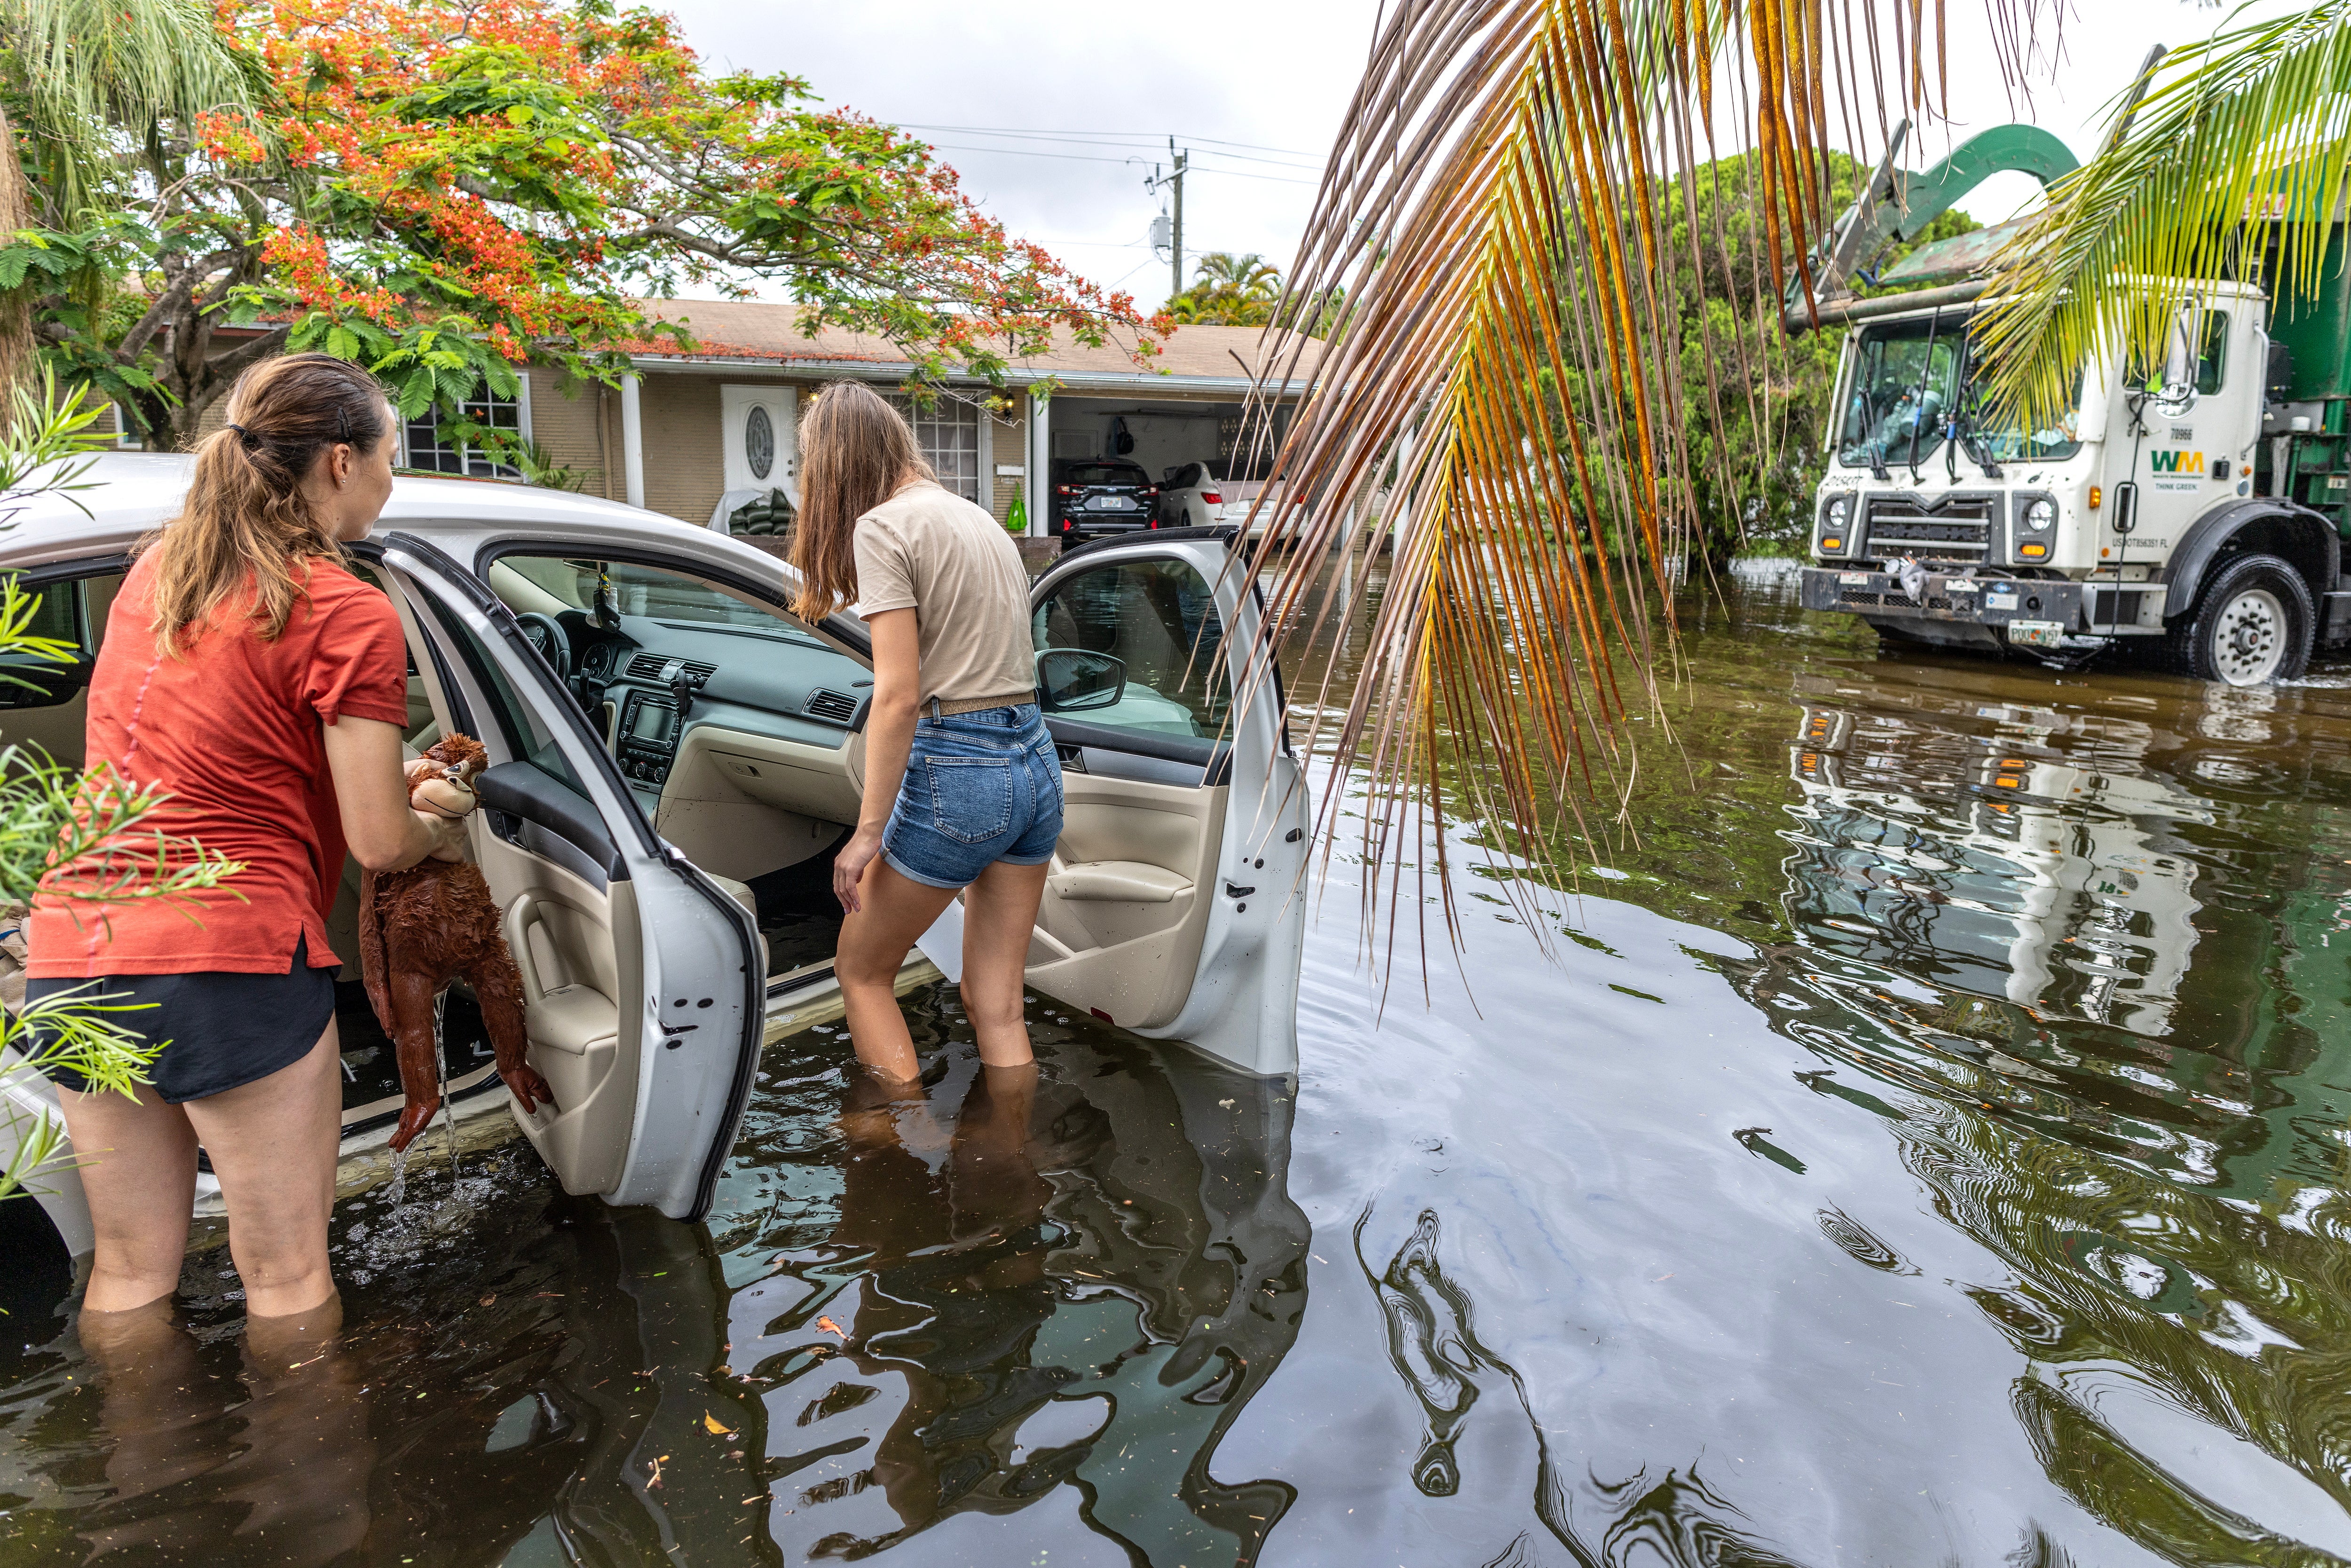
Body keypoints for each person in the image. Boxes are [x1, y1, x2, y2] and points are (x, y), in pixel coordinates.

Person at [27, 353, 468, 1324]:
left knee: (132, 1274)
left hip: (80, 947)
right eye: (393, 455)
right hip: (224, 960)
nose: (394, 480)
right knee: (286, 1280)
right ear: (342, 464)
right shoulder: (347, 607)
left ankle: (141, 1474)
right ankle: (311, 1478)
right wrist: (441, 825)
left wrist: (377, 791)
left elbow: (216, 752)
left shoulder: (160, 577)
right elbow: (383, 846)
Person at [790, 381, 1060, 1082]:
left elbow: (899, 697)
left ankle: (898, 1160)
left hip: (959, 772)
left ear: (834, 462)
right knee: (996, 1004)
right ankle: (1013, 1167)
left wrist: (866, 834)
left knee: (862, 972)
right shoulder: (976, 519)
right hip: (1035, 763)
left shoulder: (882, 527)